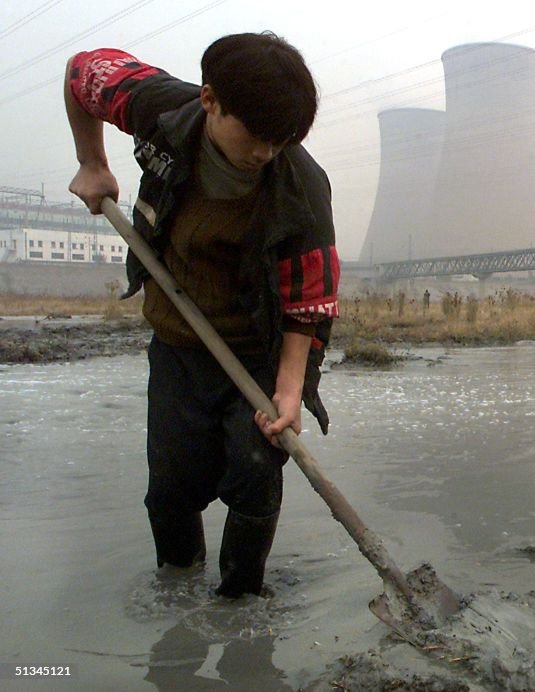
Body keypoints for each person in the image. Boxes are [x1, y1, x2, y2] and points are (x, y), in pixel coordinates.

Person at [64, 32, 340, 597]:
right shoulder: (161, 110)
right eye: (257, 136)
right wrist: (92, 162)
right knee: (170, 488)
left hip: (260, 350)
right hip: (178, 339)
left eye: (282, 140)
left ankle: (241, 605)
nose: (266, 153)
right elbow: (81, 71)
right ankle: (177, 591)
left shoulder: (302, 188)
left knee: (256, 473)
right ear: (211, 100)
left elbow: (308, 301)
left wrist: (290, 388)